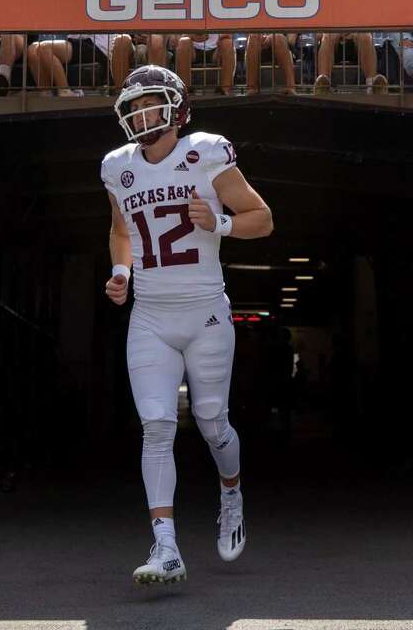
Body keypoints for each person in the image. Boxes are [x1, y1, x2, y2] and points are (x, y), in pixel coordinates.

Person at [101, 65, 274, 585]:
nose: (138, 114)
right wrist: (119, 272)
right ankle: (166, 546)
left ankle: (231, 493)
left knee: (211, 420)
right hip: (150, 314)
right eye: (132, 106)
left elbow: (262, 218)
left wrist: (218, 222)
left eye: (149, 103)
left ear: (176, 109)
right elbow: (120, 231)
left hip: (205, 312)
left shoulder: (206, 153)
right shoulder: (116, 167)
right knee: (156, 426)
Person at [28, 0, 131, 95]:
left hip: (98, 46)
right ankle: (46, 93)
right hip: (79, 43)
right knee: (32, 49)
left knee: (43, 48)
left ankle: (65, 91)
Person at [314, 0, 386, 94]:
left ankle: (372, 84)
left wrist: (350, 30)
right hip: (331, 39)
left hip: (356, 37)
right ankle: (323, 83)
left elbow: (368, 21)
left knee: (365, 35)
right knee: (328, 36)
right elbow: (318, 31)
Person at [173, 0, 235, 94]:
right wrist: (192, 34)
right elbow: (175, 36)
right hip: (191, 49)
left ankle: (225, 89)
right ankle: (185, 91)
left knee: (228, 43)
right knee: (183, 42)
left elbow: (229, 32)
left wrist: (211, 33)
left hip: (215, 48)